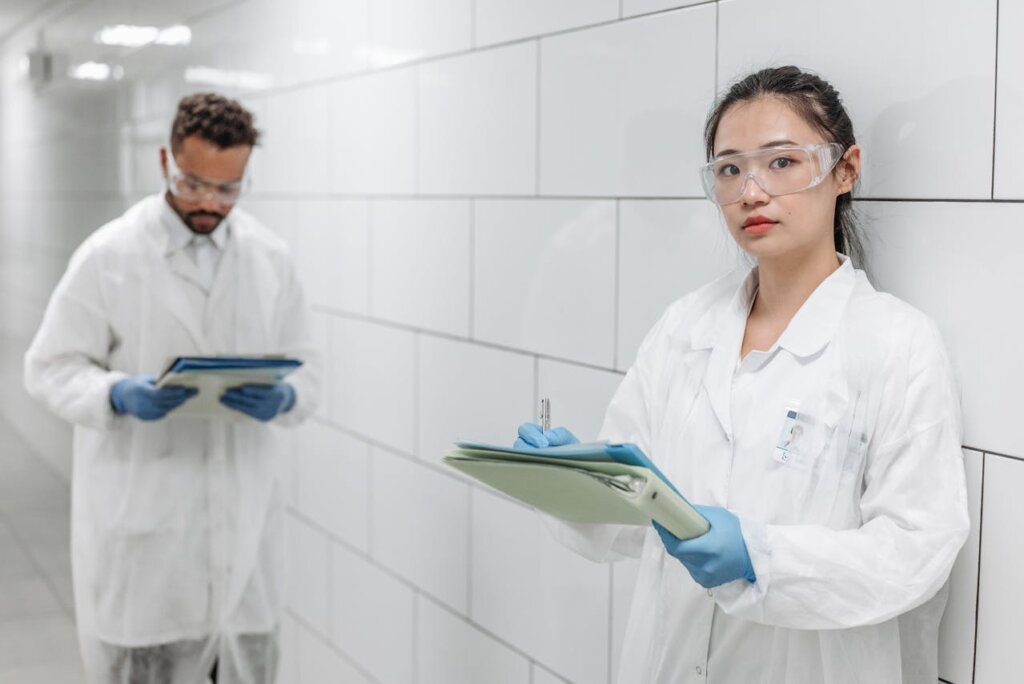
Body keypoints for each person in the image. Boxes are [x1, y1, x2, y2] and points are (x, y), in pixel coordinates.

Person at [515, 66, 969, 683]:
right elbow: (631, 520)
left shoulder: (896, 343)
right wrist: (573, 479)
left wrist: (764, 557)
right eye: (730, 170)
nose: (752, 192)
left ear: (846, 169)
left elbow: (918, 549)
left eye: (781, 162)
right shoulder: (685, 329)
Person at [24, 93, 319, 683]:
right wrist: (114, 393)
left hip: (243, 531)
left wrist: (286, 397)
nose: (209, 202)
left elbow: (308, 369)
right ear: (165, 161)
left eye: (228, 189)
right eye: (194, 183)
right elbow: (49, 366)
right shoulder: (110, 256)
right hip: (147, 536)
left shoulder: (270, 259)